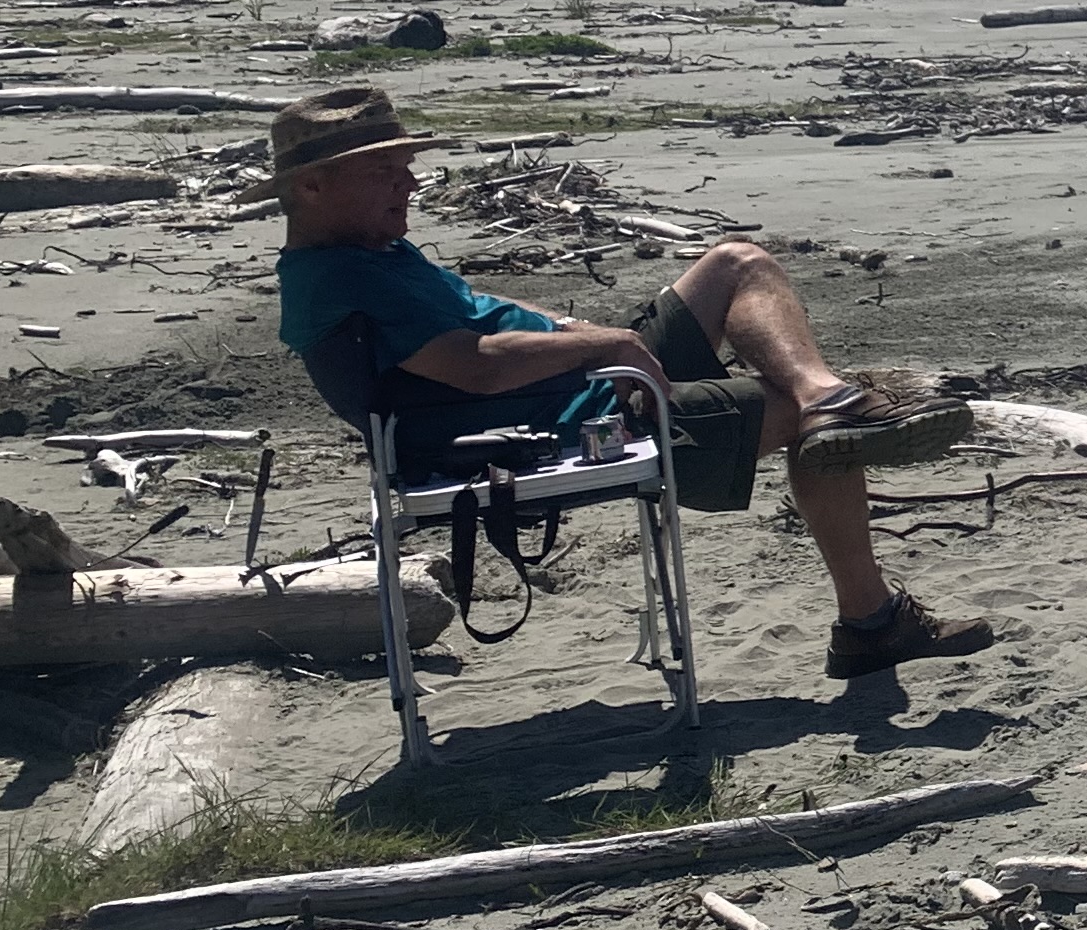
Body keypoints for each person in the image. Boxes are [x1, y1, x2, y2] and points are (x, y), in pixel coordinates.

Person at [266, 85, 1000, 679]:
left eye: (404, 165)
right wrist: (606, 345)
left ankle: (822, 394)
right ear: (313, 186)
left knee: (736, 263)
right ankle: (870, 620)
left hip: (578, 378)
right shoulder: (336, 277)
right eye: (384, 172)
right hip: (558, 425)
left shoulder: (368, 249)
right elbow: (474, 364)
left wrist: (574, 330)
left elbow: (478, 310)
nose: (410, 182)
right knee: (809, 429)